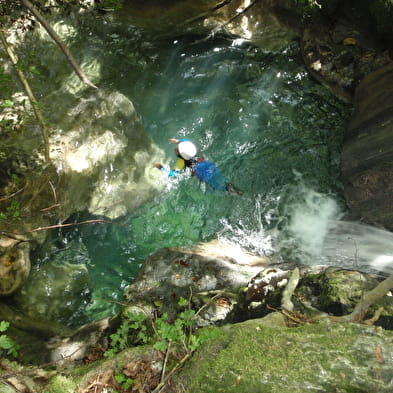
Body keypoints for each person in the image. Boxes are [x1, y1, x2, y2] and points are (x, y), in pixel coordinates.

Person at [154, 138, 242, 195]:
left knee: (217, 185)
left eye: (177, 149)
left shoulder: (180, 162)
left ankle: (227, 189)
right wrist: (177, 141)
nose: (175, 149)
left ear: (180, 155)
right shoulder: (191, 150)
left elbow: (171, 174)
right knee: (220, 178)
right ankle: (233, 189)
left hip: (203, 174)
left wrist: (160, 167)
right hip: (209, 166)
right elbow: (186, 141)